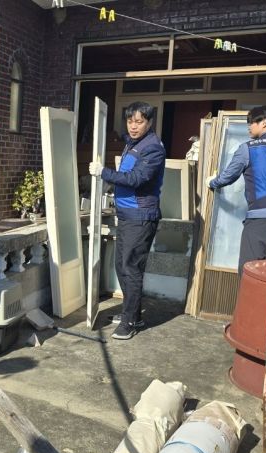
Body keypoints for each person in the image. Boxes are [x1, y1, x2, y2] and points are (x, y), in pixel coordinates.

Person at [89, 101, 165, 340]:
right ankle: (131, 313)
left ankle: (131, 321)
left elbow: (137, 179)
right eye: (130, 121)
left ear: (149, 123)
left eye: (139, 121)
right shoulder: (133, 144)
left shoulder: (153, 147)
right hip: (127, 215)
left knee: (131, 268)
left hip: (141, 217)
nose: (133, 126)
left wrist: (104, 173)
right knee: (121, 266)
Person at [207, 105, 266, 274]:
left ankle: (252, 302)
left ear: (264, 123)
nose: (248, 126)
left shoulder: (249, 148)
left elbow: (228, 177)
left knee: (252, 271)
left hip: (262, 218)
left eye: (251, 122)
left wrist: (212, 182)